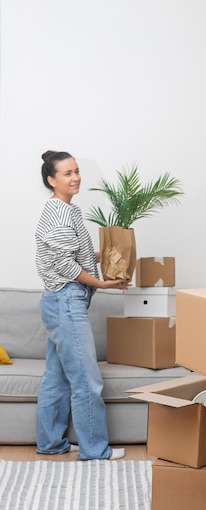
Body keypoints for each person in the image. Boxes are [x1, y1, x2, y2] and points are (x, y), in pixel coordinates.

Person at [35, 150, 129, 461]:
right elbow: (63, 262)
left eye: (76, 171)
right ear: (51, 179)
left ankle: (51, 443)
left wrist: (105, 255)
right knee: (87, 380)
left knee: (58, 378)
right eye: (66, 173)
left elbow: (72, 253)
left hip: (59, 300)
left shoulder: (66, 210)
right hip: (66, 301)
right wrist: (100, 283)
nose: (75, 177)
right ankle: (94, 449)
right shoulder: (59, 212)